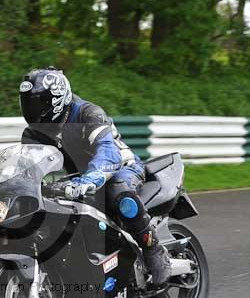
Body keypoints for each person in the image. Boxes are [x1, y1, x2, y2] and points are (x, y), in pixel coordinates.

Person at [18, 67, 171, 285]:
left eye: (38, 103)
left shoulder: (87, 113)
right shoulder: (33, 134)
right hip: (77, 179)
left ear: (57, 99)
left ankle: (153, 250)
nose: (31, 109)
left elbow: (108, 152)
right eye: (27, 102)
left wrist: (89, 180)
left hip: (121, 167)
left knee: (119, 192)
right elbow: (28, 169)